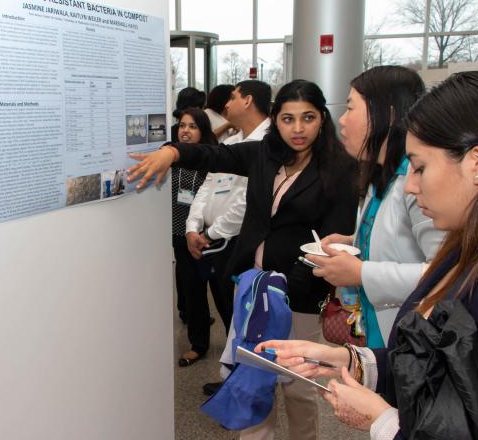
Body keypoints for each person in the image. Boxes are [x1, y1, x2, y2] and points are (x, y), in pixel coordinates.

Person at [256, 71, 478, 439]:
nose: (411, 185)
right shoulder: (468, 248)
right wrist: (350, 360)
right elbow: (444, 368)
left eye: (421, 167)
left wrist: (382, 421)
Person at [128, 79, 359, 440]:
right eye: (287, 119)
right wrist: (172, 152)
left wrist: (286, 287)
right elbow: (214, 155)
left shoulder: (339, 169)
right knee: (251, 379)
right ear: (275, 119)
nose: (297, 129)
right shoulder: (265, 155)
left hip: (296, 296)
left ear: (322, 119)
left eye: (308, 117)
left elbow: (334, 240)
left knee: (297, 387)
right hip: (251, 286)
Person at [307, 66, 444, 346]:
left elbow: (446, 271)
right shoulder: (381, 174)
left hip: (411, 335)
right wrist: (351, 241)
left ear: (388, 113)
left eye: (350, 108)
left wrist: (360, 273)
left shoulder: (416, 180)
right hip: (378, 326)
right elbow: (394, 239)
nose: (341, 121)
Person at [180, 81, 272, 367]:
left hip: (240, 245)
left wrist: (210, 233)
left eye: (232, 97)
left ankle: (243, 376)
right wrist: (192, 227)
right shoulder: (231, 143)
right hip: (214, 242)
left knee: (242, 316)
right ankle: (233, 373)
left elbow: (248, 202)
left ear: (247, 100)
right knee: (227, 313)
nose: (225, 105)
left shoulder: (269, 145)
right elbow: (206, 188)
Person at [171, 109, 217, 328]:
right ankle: (186, 312)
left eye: (192, 126)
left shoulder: (210, 158)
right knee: (183, 276)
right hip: (177, 229)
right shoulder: (171, 156)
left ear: (202, 130)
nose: (185, 131)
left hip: (202, 233)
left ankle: (198, 320)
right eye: (182, 126)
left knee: (199, 281)